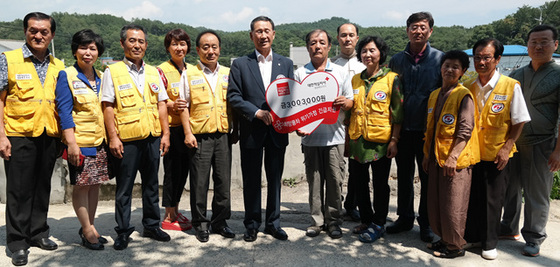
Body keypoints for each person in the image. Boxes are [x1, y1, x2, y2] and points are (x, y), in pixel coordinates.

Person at [0, 12, 64, 266]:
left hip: (49, 134)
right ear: (25, 32)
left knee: (42, 187)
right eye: (33, 30)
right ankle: (17, 241)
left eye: (44, 31)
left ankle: (38, 232)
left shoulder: (58, 65)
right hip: (18, 134)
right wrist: (1, 135)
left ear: (52, 35)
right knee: (18, 190)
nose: (38, 35)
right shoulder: (9, 59)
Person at [101, 24, 171, 250]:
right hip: (127, 139)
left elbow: (162, 104)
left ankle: (152, 225)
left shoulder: (153, 71)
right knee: (124, 187)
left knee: (151, 184)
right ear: (122, 44)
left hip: (152, 136)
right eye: (132, 41)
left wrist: (165, 133)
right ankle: (123, 231)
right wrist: (113, 138)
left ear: (146, 45)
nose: (137, 45)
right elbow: (108, 106)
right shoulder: (113, 71)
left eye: (141, 41)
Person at [227, 16, 294, 242]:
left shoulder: (285, 63)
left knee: (275, 179)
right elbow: (234, 96)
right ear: (251, 35)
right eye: (258, 31)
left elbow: (291, 96)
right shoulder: (240, 64)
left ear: (274, 34)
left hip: (277, 131)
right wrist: (256, 112)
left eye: (267, 31)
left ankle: (273, 223)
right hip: (252, 130)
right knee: (251, 180)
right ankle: (252, 223)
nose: (263, 35)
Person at [462, 38, 530, 260]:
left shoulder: (511, 86)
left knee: (493, 200)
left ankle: (490, 243)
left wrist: (507, 146)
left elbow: (519, 120)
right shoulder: (469, 87)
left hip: (497, 153)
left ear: (498, 59)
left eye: (487, 57)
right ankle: (472, 236)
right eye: (478, 57)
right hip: (473, 153)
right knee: (473, 198)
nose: (481, 62)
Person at [501, 24, 560, 257]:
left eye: (544, 41)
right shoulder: (517, 74)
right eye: (534, 41)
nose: (538, 46)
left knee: (537, 193)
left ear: (555, 45)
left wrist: (558, 151)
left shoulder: (558, 74)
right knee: (510, 188)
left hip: (543, 142)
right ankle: (508, 227)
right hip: (514, 142)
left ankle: (534, 236)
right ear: (527, 45)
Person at [387, 11, 443, 242]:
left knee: (428, 177)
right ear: (407, 30)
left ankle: (427, 223)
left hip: (427, 130)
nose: (418, 31)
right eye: (413, 27)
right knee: (404, 175)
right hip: (402, 128)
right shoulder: (397, 60)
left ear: (430, 30)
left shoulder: (440, 59)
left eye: (423, 27)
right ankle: (404, 217)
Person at [294, 29, 353, 239]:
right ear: (308, 47)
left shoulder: (340, 72)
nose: (317, 46)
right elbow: (295, 107)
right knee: (315, 182)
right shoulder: (300, 73)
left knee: (335, 181)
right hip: (310, 138)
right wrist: (298, 125)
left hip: (335, 136)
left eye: (321, 42)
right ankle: (317, 221)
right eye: (312, 43)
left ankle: (334, 221)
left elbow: (350, 100)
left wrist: (345, 102)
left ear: (329, 46)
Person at [55, 29, 111, 251]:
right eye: (83, 47)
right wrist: (71, 143)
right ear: (75, 50)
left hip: (99, 141)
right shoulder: (67, 75)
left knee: (94, 184)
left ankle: (90, 225)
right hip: (80, 142)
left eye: (93, 48)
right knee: (81, 186)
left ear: (98, 52)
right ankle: (87, 232)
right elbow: (65, 111)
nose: (88, 52)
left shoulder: (101, 76)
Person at [179, 30, 235, 242]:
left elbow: (233, 105)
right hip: (199, 136)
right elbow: (183, 106)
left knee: (223, 182)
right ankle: (201, 224)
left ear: (219, 49)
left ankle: (220, 222)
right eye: (205, 47)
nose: (210, 51)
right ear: (198, 50)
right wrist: (187, 133)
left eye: (214, 47)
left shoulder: (228, 73)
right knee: (200, 183)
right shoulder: (189, 73)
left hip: (222, 134)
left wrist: (235, 130)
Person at [422, 50, 479, 258]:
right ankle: (444, 240)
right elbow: (430, 129)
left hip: (456, 161)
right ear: (441, 67)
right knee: (437, 202)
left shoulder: (464, 95)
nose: (450, 70)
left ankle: (455, 247)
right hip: (437, 157)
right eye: (446, 65)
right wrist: (427, 155)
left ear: (463, 71)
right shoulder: (435, 94)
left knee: (453, 204)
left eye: (455, 67)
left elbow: (465, 130)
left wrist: (453, 157)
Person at [347, 36, 404, 243]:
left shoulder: (392, 79)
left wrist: (394, 140)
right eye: (364, 51)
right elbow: (351, 112)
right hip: (357, 140)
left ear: (380, 53)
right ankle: (366, 219)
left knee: (380, 184)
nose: (367, 55)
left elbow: (397, 113)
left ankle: (379, 223)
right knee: (359, 183)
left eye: (372, 50)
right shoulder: (356, 80)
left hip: (380, 142)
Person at [157, 28, 193, 232]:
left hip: (188, 128)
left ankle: (176, 210)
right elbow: (157, 100)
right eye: (175, 44)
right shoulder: (160, 70)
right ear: (168, 47)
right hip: (171, 128)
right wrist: (171, 105)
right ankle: (169, 216)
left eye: (183, 44)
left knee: (182, 172)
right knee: (171, 172)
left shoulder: (191, 69)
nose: (179, 48)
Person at [331, 22, 366, 222]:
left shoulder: (364, 65)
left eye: (351, 35)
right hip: (335, 124)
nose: (347, 39)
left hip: (359, 124)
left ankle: (352, 204)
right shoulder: (331, 64)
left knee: (356, 167)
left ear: (357, 38)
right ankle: (335, 203)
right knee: (336, 167)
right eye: (343, 35)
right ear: (338, 39)